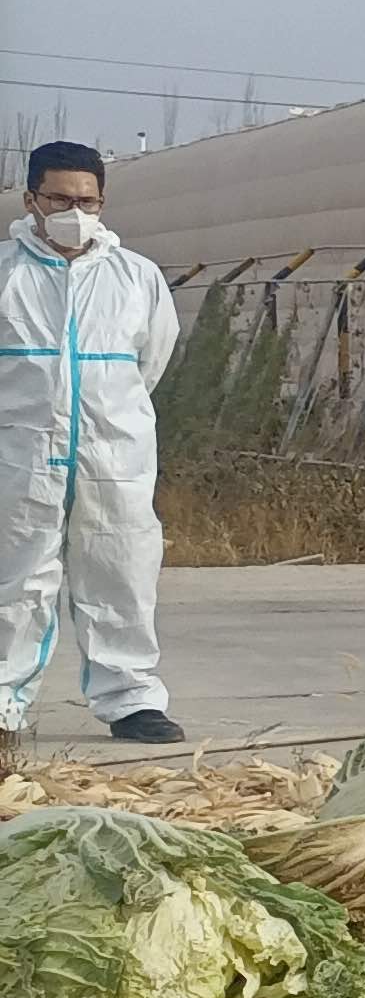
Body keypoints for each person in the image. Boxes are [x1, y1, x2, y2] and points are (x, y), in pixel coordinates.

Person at [2, 140, 187, 764]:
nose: (74, 211)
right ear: (31, 200)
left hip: (114, 453)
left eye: (87, 200)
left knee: (123, 570)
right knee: (17, 576)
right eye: (59, 198)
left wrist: (106, 418)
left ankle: (131, 697)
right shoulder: (6, 274)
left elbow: (151, 360)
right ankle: (4, 702)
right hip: (19, 453)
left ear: (103, 202)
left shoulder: (136, 277)